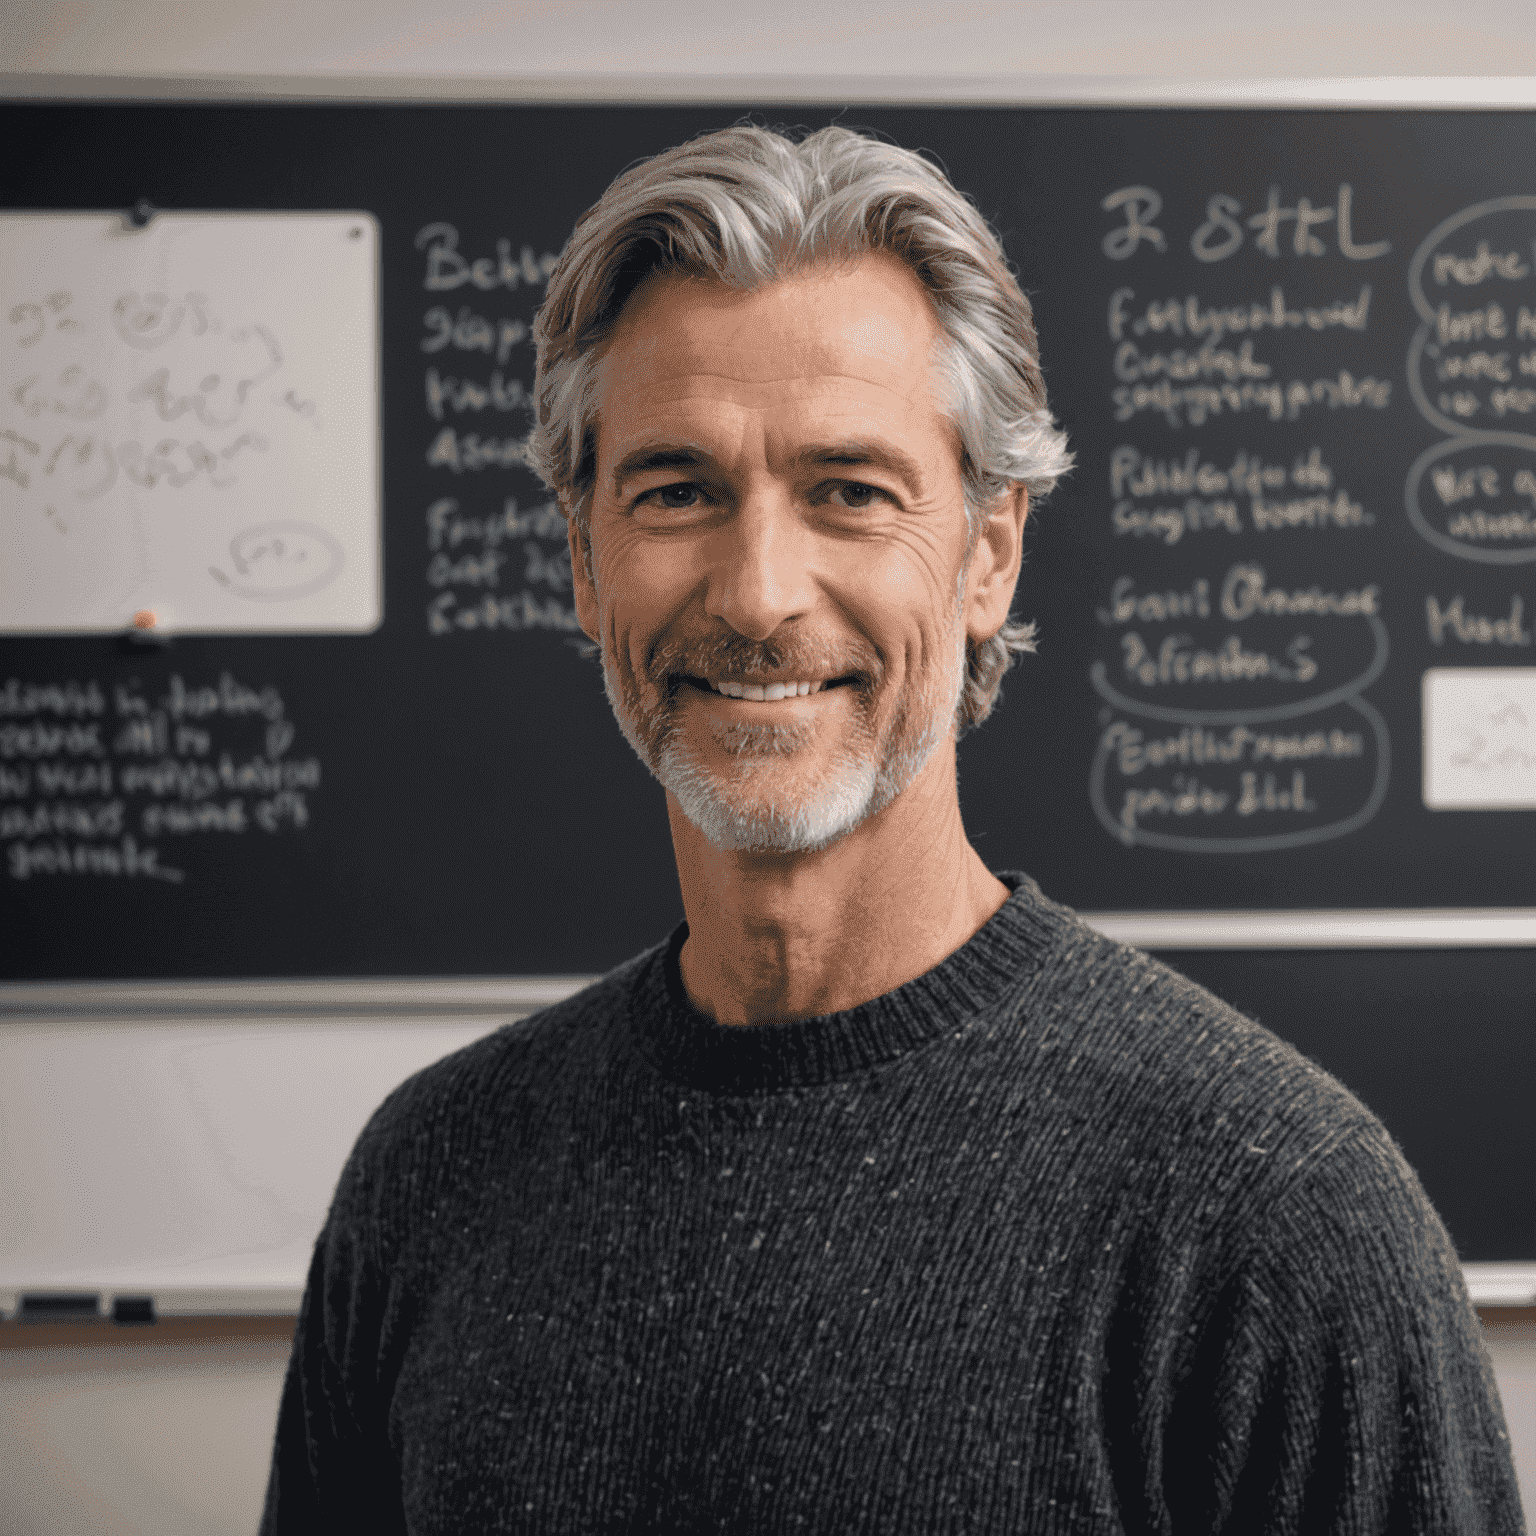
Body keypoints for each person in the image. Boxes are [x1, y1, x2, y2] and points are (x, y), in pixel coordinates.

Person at [261, 124, 1524, 1533]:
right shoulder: (434, 1178)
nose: (757, 594)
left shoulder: (1274, 1218)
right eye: (676, 490)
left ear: (990, 553)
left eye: (849, 493)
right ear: (581, 558)